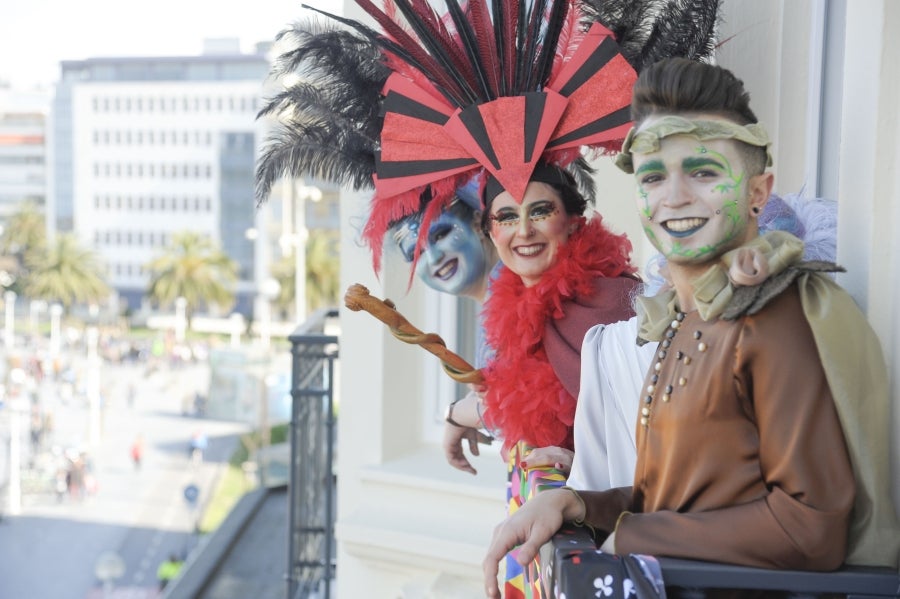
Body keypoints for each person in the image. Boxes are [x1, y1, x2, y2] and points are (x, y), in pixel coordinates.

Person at [483, 57, 900, 598]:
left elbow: (810, 528)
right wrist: (577, 504)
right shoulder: (683, 316)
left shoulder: (773, 317)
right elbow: (674, 500)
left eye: (703, 171)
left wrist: (626, 535)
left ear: (758, 191)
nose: (673, 196)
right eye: (654, 176)